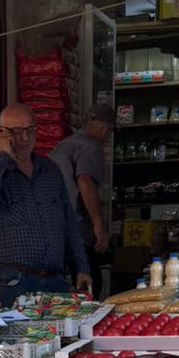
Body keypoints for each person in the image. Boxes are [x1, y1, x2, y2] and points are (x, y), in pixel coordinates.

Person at [0, 103, 92, 308]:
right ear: (1, 133)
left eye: (30, 130)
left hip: (54, 280)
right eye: (17, 131)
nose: (25, 138)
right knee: (14, 339)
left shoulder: (50, 170)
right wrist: (5, 157)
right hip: (13, 281)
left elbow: (68, 222)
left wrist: (81, 266)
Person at [50, 104, 114, 270]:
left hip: (56, 230)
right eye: (110, 131)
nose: (108, 136)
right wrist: (98, 224)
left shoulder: (63, 146)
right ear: (103, 127)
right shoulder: (91, 147)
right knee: (88, 283)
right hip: (78, 230)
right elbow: (85, 181)